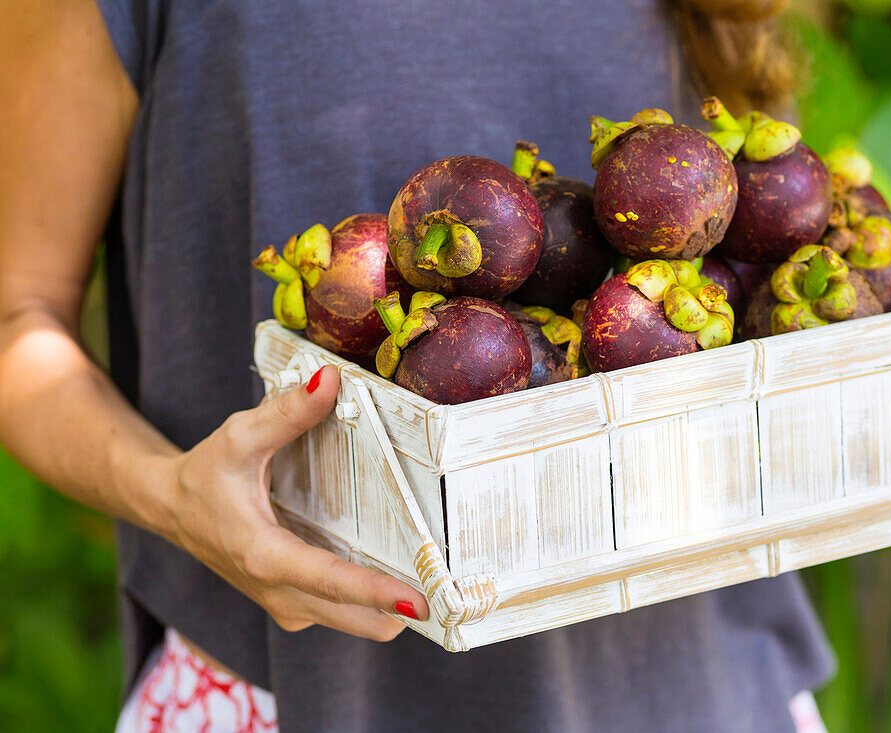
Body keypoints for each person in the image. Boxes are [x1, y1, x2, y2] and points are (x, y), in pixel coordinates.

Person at [0, 0, 835, 730]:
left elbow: (747, 260)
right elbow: (18, 311)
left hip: (705, 690)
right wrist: (171, 493)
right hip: (293, 695)